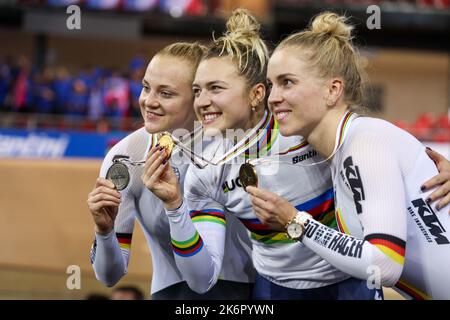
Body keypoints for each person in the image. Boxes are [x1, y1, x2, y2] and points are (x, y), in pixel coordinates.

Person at [144, 9, 386, 300]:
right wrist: (174, 205)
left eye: (215, 89)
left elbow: (388, 155)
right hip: (272, 292)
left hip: (348, 286)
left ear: (257, 94)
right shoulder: (205, 171)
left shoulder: (305, 132)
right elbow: (201, 280)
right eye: (197, 91)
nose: (202, 102)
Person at [247, 12, 450, 299]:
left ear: (333, 90)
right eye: (271, 85)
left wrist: (297, 222)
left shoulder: (364, 143)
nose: (272, 97)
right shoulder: (342, 151)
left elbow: (384, 265)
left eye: (287, 82)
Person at [87, 42, 255, 300]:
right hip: (171, 293)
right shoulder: (126, 155)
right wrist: (104, 231)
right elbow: (109, 276)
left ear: (198, 97)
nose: (149, 102)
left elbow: (203, 279)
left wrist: (175, 206)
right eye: (146, 88)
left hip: (243, 294)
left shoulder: (234, 148)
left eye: (166, 93)